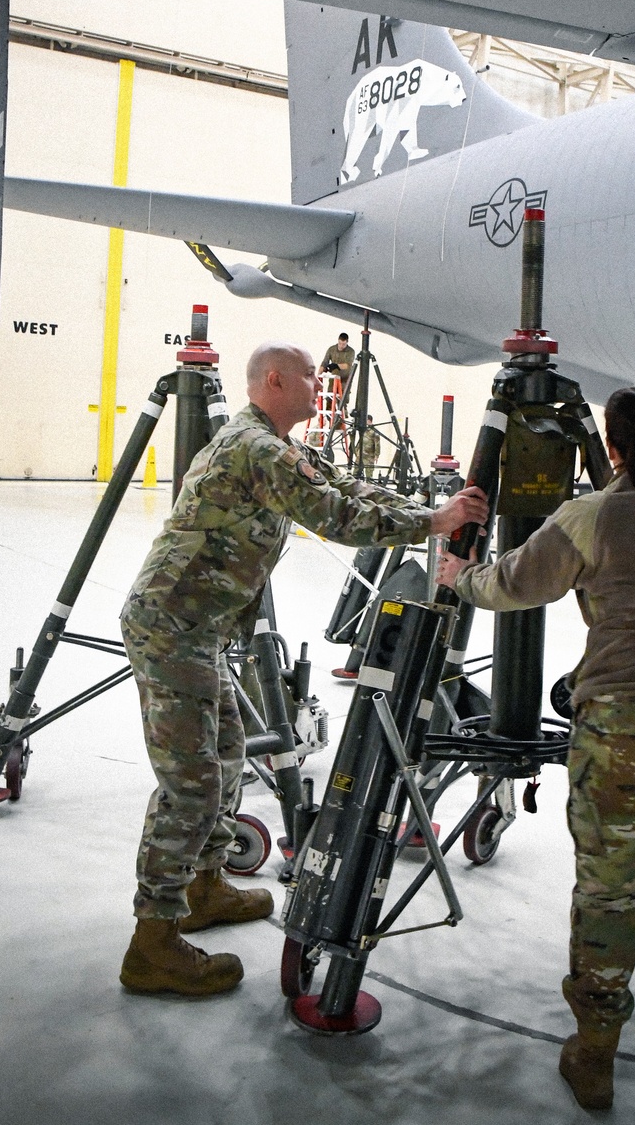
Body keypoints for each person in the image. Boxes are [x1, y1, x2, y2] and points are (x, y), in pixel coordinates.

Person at [119, 341, 488, 998]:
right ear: (275, 379)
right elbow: (337, 516)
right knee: (193, 783)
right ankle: (151, 944)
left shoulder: (272, 443)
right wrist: (434, 521)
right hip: (173, 625)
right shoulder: (257, 450)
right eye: (314, 375)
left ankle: (201, 888)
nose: (323, 383)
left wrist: (427, 508)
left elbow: (343, 486)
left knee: (227, 756)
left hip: (196, 627)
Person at [436, 387, 635, 1109]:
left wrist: (460, 579)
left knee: (609, 894)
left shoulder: (590, 515)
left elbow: (515, 585)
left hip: (624, 730)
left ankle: (595, 1053)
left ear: (610, 447)